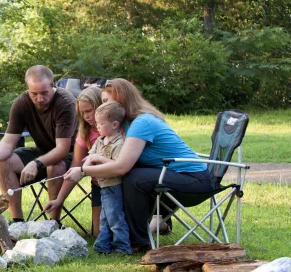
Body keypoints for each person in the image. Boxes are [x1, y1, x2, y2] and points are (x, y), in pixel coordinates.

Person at [70, 78, 212, 252]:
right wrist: (97, 158)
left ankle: (138, 242)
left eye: (106, 101)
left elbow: (121, 167)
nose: (101, 107)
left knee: (134, 178)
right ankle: (137, 232)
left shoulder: (141, 122)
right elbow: (121, 163)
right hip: (173, 176)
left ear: (120, 98)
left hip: (194, 181)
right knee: (133, 175)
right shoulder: (130, 124)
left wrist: (83, 170)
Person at [0, 65, 77, 222]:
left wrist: (36, 163)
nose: (39, 98)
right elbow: (8, 143)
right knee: (4, 162)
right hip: (42, 151)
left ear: (52, 85)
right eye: (34, 94)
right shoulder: (21, 103)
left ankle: (53, 224)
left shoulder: (65, 102)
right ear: (27, 88)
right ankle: (17, 222)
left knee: (55, 165)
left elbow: (62, 149)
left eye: (44, 93)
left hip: (72, 155)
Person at [42, 86, 103, 236]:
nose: (86, 116)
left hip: (119, 186)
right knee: (98, 234)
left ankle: (156, 223)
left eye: (89, 111)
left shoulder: (117, 128)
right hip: (99, 187)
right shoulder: (84, 134)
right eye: (82, 113)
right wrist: (58, 200)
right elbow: (76, 166)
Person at [84, 101, 130, 254]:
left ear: (115, 124)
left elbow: (117, 165)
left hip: (113, 186)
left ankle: (123, 247)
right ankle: (102, 247)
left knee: (115, 219)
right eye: (97, 123)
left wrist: (98, 158)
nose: (97, 126)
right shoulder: (100, 140)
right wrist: (89, 160)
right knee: (105, 218)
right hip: (102, 186)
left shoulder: (120, 143)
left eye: (100, 123)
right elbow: (91, 156)